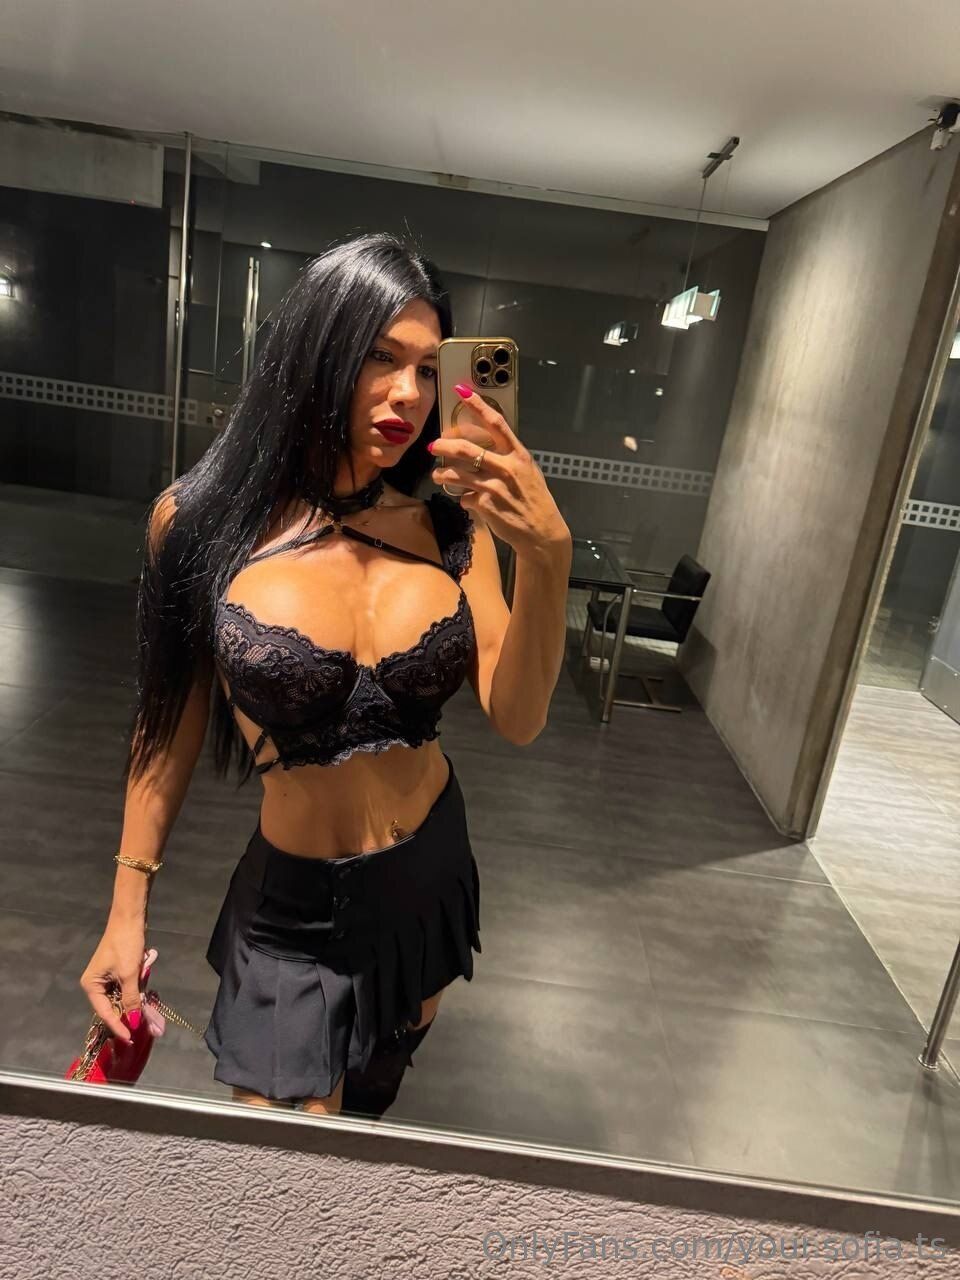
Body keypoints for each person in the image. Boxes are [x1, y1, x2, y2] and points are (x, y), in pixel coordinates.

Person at [80, 232, 572, 1116]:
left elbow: (520, 714)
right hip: (292, 914)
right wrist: (126, 909)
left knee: (366, 1114)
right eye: (381, 357)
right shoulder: (198, 527)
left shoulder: (453, 533)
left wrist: (548, 556)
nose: (409, 394)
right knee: (285, 1162)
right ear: (317, 354)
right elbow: (168, 728)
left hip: (425, 878)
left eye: (428, 369)